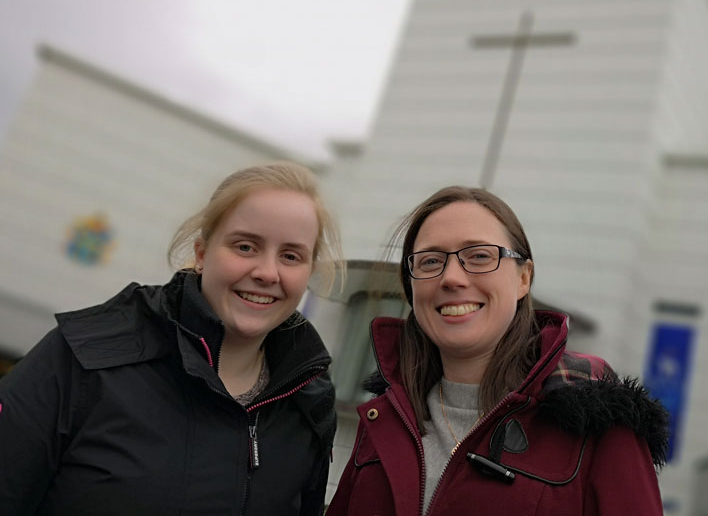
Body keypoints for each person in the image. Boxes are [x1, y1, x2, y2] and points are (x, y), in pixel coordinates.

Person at [0, 162, 341, 515]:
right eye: (245, 247)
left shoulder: (309, 406)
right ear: (202, 253)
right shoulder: (83, 357)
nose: (268, 273)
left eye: (290, 256)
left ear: (308, 273)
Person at [326, 186, 668, 516]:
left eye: (479, 256)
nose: (452, 278)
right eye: (430, 261)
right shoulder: (385, 418)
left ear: (523, 278)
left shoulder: (601, 428)